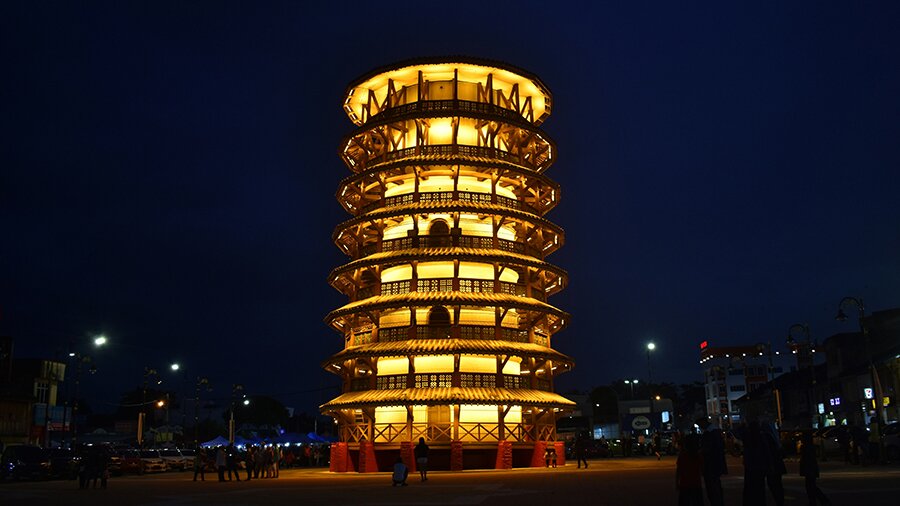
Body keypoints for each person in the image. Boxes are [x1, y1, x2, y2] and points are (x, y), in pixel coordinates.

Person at [740, 420, 770, 506]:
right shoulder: (760, 437)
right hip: (758, 466)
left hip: (751, 466)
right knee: (759, 488)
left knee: (750, 487)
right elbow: (766, 452)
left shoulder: (748, 437)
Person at [699, 419, 727, 506]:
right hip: (716, 464)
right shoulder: (716, 432)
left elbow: (707, 449)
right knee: (716, 486)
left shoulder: (709, 434)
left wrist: (700, 451)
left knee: (712, 487)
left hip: (711, 465)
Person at [799, 431, 831, 505]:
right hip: (810, 469)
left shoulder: (807, 447)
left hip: (809, 469)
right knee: (811, 486)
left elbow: (807, 459)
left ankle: (819, 501)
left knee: (811, 487)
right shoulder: (810, 447)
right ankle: (819, 501)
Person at [675, 433, 703, 506]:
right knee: (697, 502)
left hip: (685, 484)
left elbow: (679, 471)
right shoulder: (698, 456)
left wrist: (677, 482)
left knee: (684, 502)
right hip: (696, 483)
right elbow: (701, 470)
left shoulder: (683, 456)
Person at [762, 422, 786, 506]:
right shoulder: (774, 437)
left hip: (773, 466)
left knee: (774, 485)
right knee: (777, 485)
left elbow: (769, 453)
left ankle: (780, 501)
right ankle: (780, 501)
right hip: (777, 465)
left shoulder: (767, 437)